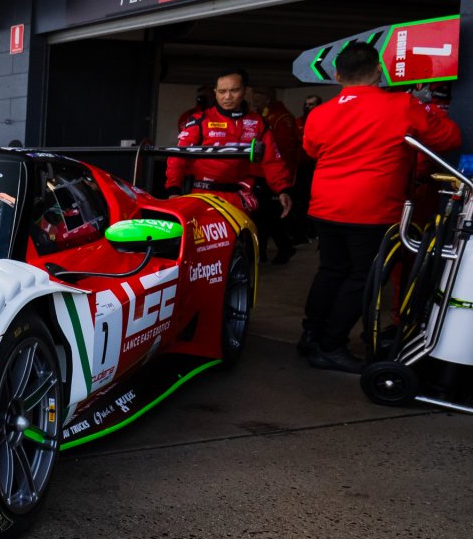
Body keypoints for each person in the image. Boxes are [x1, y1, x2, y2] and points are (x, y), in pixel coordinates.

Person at [299, 41, 462, 372]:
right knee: (363, 277)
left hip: (325, 206)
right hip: (372, 208)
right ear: (378, 71)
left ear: (336, 75)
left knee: (331, 270)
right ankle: (331, 345)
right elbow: (449, 138)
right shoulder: (402, 105)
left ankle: (311, 336)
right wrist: (427, 106)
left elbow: (312, 150)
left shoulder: (319, 113)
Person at [164, 71, 293, 221]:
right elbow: (178, 157)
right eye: (222, 91)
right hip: (204, 195)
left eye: (234, 90)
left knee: (244, 241)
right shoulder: (200, 121)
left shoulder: (258, 123)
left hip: (241, 197)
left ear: (245, 91)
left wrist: (282, 189)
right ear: (215, 93)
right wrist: (173, 189)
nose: (227, 97)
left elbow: (272, 160)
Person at [248, 85, 301, 263]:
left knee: (267, 215)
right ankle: (264, 251)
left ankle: (281, 248)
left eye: (257, 98)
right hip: (261, 174)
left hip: (272, 175)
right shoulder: (263, 116)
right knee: (264, 214)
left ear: (267, 98)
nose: (254, 102)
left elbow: (284, 150)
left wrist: (282, 179)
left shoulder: (280, 118)